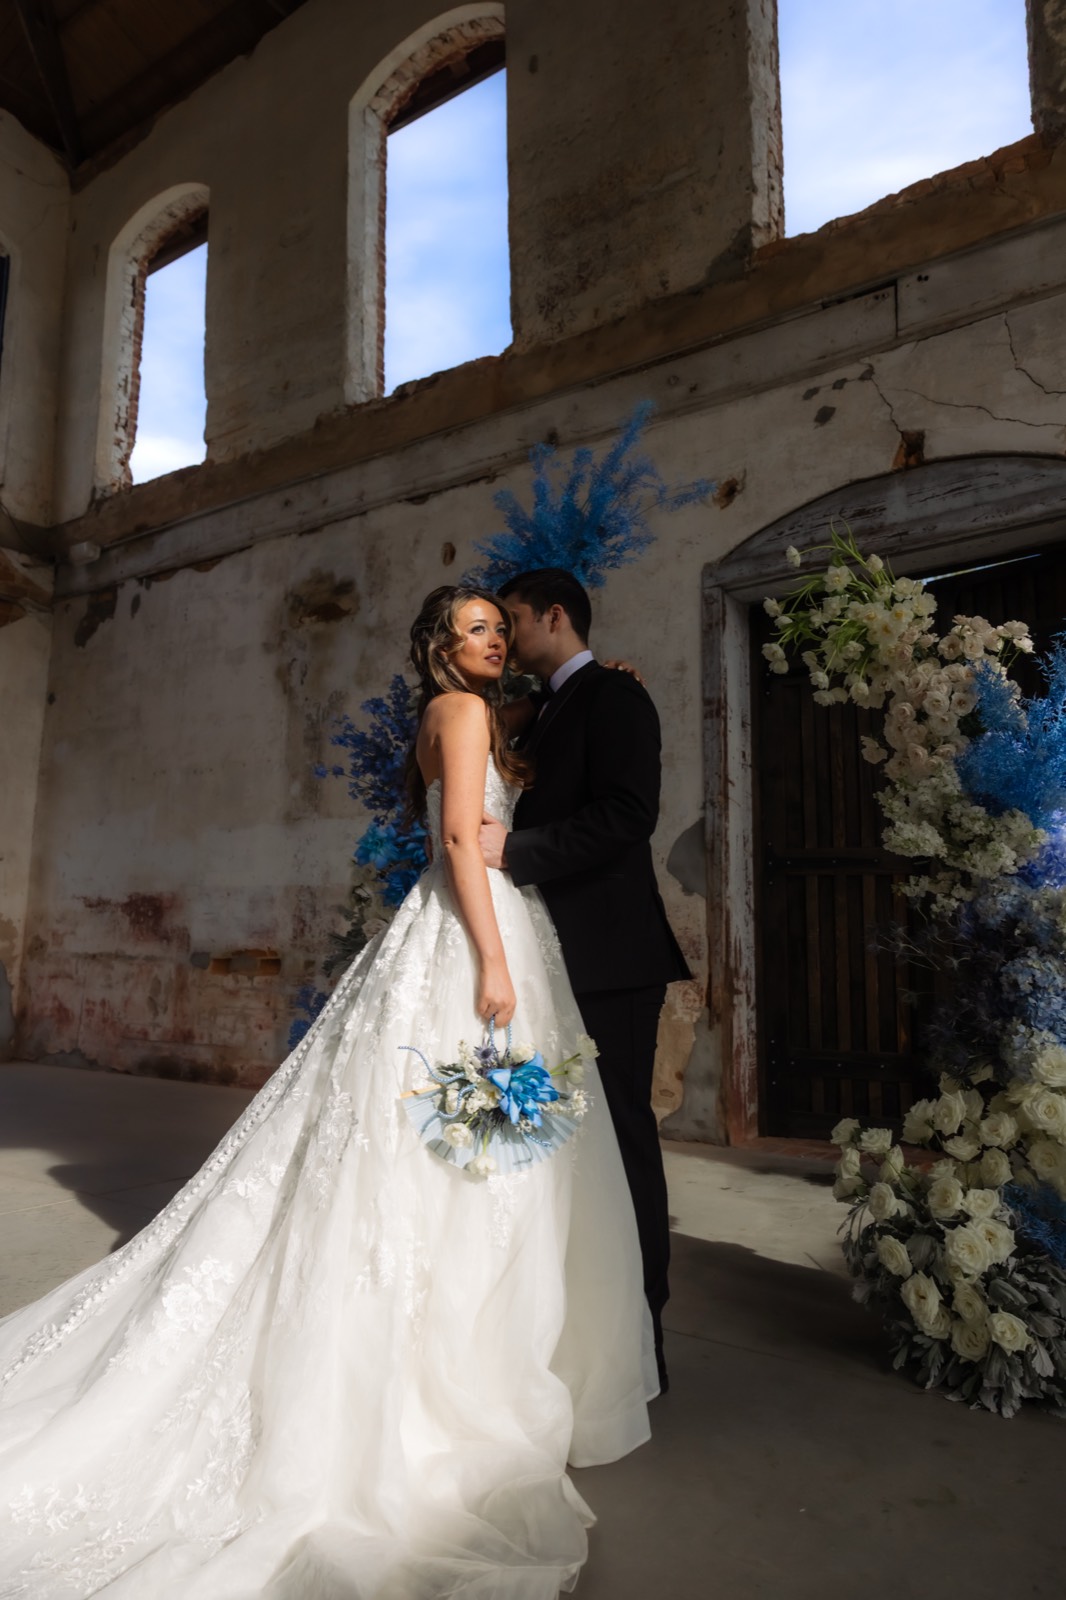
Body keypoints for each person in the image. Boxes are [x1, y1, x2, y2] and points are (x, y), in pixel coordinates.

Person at [0, 584, 654, 1600]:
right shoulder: (465, 710)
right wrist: (492, 959)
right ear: (444, 645)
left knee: (469, 1140)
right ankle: (459, 1369)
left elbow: (515, 742)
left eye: (499, 627)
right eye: (476, 630)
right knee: (468, 1145)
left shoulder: (467, 713)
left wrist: (590, 688)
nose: (495, 642)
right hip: (474, 933)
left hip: (458, 928)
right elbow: (456, 840)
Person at [478, 568, 690, 1392]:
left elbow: (628, 813)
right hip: (547, 956)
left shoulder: (615, 697)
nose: (505, 636)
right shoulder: (546, 708)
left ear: (554, 616)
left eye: (515, 621)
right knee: (555, 1146)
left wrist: (516, 853)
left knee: (623, 1143)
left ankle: (643, 1338)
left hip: (611, 959)